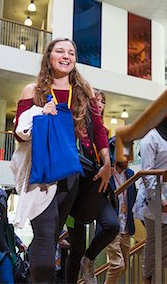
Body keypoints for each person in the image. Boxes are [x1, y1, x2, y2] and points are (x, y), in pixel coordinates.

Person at [12, 37, 111, 283]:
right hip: (42, 173)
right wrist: (39, 114)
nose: (66, 56)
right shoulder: (32, 91)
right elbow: (18, 132)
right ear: (49, 57)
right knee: (45, 234)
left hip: (71, 174)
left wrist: (107, 163)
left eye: (71, 52)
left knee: (52, 232)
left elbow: (98, 129)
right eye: (60, 51)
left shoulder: (84, 92)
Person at [65, 88, 118, 284]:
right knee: (76, 248)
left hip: (97, 190)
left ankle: (89, 259)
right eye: (96, 100)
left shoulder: (104, 133)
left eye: (102, 101)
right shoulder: (77, 125)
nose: (99, 104)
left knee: (112, 225)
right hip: (76, 195)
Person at [138, 107, 167, 284]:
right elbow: (147, 173)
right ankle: (148, 279)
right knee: (154, 243)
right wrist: (160, 199)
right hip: (156, 199)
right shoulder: (150, 137)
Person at [104, 160, 137, 284]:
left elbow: (133, 199)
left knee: (125, 265)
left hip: (126, 226)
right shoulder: (107, 173)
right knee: (117, 264)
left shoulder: (130, 174)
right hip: (112, 226)